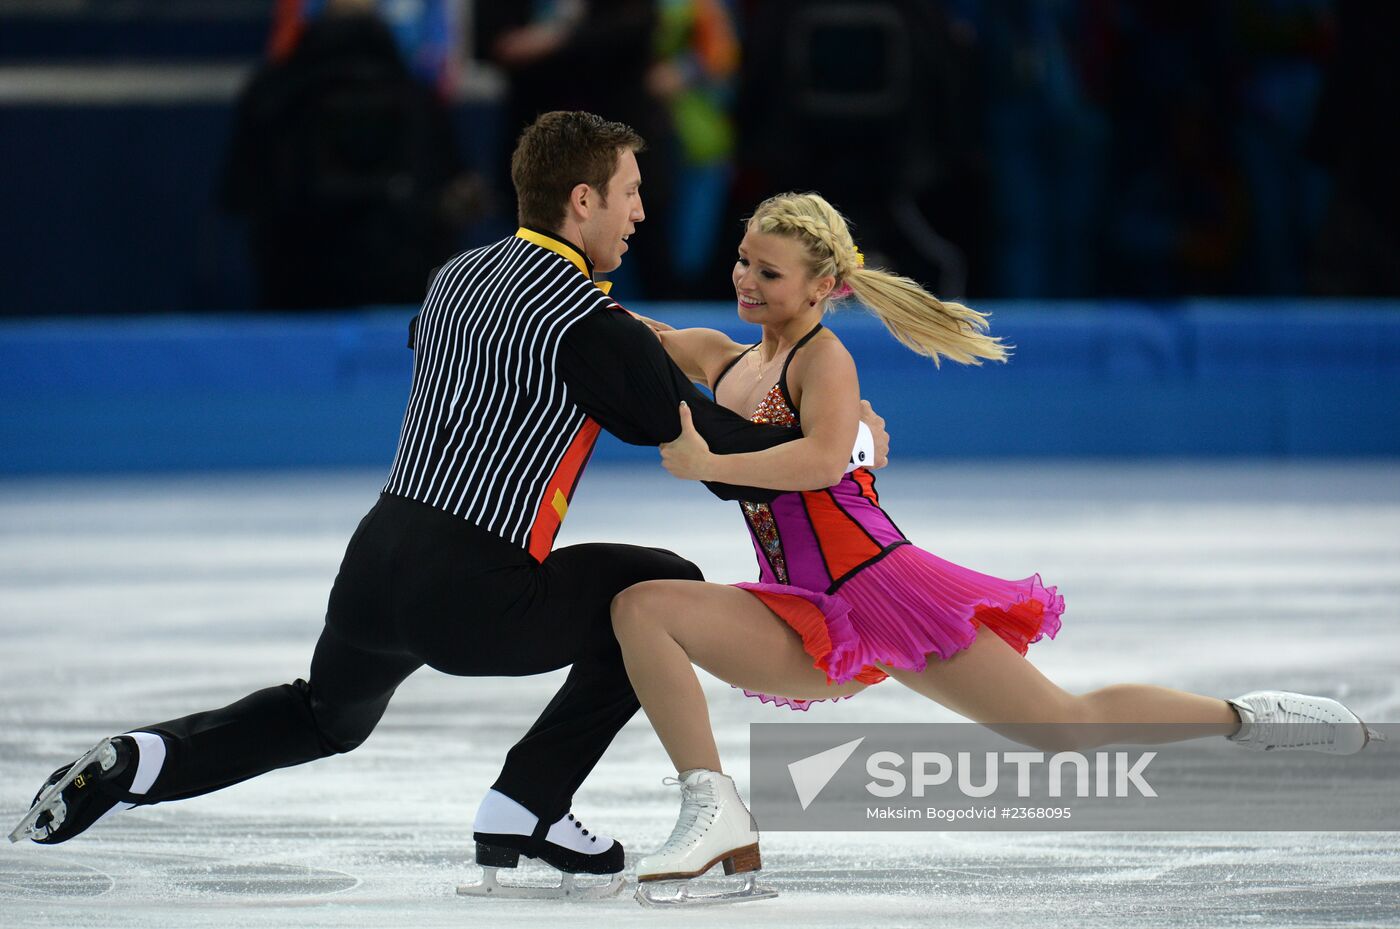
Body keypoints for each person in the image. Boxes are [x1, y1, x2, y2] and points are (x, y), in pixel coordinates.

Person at [10, 115, 889, 901]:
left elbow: (535, 359)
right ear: (582, 200)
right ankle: (527, 803)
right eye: (629, 193)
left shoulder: (456, 276)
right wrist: (839, 435)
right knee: (655, 594)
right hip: (473, 592)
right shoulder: (589, 325)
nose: (641, 213)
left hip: (374, 565)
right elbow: (720, 458)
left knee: (323, 715)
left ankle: (144, 761)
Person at [609, 191, 1383, 904]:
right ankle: (715, 809)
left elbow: (817, 461)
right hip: (803, 608)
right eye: (743, 259)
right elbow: (641, 336)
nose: (745, 278)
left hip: (885, 588)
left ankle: (1246, 715)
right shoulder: (728, 357)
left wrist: (711, 463)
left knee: (1063, 729)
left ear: (821, 287)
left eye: (767, 270)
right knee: (644, 607)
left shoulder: (824, 361)